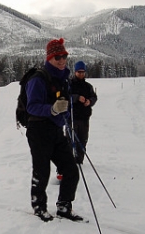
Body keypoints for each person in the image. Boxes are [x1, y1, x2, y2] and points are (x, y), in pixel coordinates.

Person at [25, 38, 82, 222]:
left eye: (64, 56)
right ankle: (39, 207)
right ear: (49, 58)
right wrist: (52, 109)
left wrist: (65, 110)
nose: (61, 60)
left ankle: (64, 206)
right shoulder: (38, 79)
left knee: (71, 169)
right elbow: (31, 107)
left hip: (57, 130)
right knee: (42, 172)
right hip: (39, 130)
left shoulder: (63, 78)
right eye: (57, 56)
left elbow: (63, 103)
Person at [69, 61, 98, 164]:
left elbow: (94, 97)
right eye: (79, 72)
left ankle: (79, 160)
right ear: (75, 72)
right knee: (70, 140)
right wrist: (76, 98)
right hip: (72, 118)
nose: (81, 74)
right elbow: (65, 97)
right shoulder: (69, 84)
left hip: (84, 118)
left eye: (82, 72)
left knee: (83, 140)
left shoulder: (88, 86)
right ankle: (69, 162)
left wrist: (90, 101)